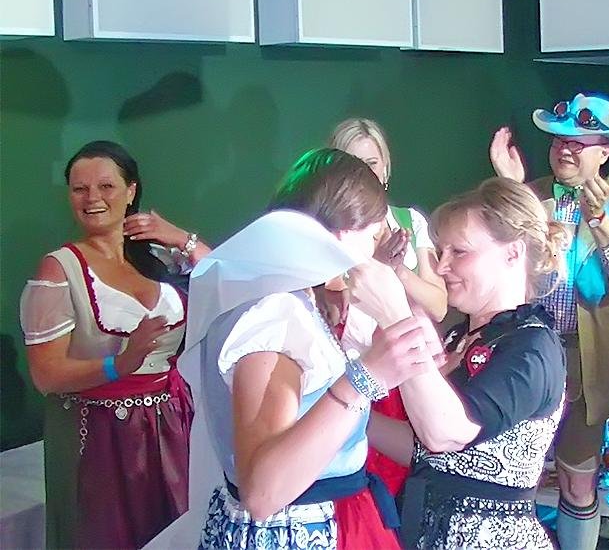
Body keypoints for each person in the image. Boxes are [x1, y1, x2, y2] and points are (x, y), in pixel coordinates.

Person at [179, 148, 439, 549]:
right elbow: (263, 492)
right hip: (298, 533)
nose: (373, 253)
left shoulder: (282, 300)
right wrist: (365, 377)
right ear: (341, 235)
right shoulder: (276, 314)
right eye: (372, 237)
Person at [19, 140, 208, 549]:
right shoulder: (60, 269)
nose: (93, 198)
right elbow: (46, 375)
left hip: (170, 425)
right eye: (79, 189)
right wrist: (119, 364)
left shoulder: (157, 258)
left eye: (106, 186)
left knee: (175, 532)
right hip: (98, 435)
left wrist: (183, 239)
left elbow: (232, 282)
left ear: (131, 191)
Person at [363, 177, 569, 549]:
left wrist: (396, 317)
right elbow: (427, 451)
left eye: (459, 252)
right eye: (441, 252)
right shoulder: (459, 338)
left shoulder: (532, 348)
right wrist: (341, 406)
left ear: (513, 253)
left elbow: (446, 432)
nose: (442, 267)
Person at [490, 93, 609, 550]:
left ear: (604, 152)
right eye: (559, 141)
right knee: (511, 471)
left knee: (578, 482)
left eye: (578, 143)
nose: (565, 149)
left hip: (586, 359)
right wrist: (511, 189)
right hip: (527, 352)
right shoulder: (531, 195)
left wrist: (601, 224)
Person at [329, 118, 449, 496]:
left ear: (386, 167)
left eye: (372, 162)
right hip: (351, 370)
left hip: (408, 369)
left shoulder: (409, 221)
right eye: (353, 162)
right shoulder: (327, 231)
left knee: (407, 482)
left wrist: (396, 270)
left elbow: (439, 305)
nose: (365, 172)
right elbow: (330, 308)